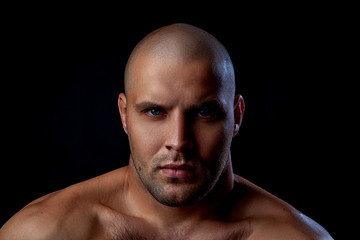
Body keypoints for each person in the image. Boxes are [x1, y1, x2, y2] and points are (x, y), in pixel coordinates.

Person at [0, 23, 333, 240]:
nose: (178, 141)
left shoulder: (294, 237)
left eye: (204, 113)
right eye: (155, 111)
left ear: (236, 116)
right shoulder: (44, 233)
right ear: (124, 114)